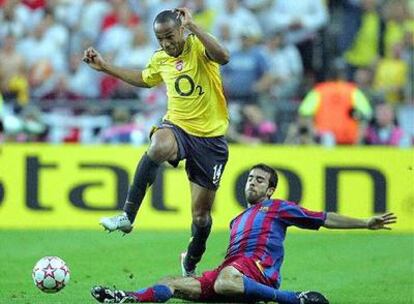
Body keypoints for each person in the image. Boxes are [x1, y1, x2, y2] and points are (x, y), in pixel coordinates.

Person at [90, 164, 397, 304]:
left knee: (226, 281)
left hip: (257, 270)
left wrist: (365, 222)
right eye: (250, 178)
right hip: (231, 271)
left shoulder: (277, 208)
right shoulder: (238, 219)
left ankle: (293, 299)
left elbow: (323, 218)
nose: (252, 183)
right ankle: (127, 297)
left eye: (259, 180)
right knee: (170, 283)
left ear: (271, 189)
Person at [82, 7, 230, 276]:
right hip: (178, 127)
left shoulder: (198, 46)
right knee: (159, 145)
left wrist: (194, 26)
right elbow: (143, 78)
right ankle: (127, 216)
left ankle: (190, 261)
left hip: (211, 140)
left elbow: (224, 57)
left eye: (170, 36)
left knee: (201, 217)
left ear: (181, 30)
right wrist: (104, 67)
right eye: (160, 39)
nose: (166, 43)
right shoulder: (160, 59)